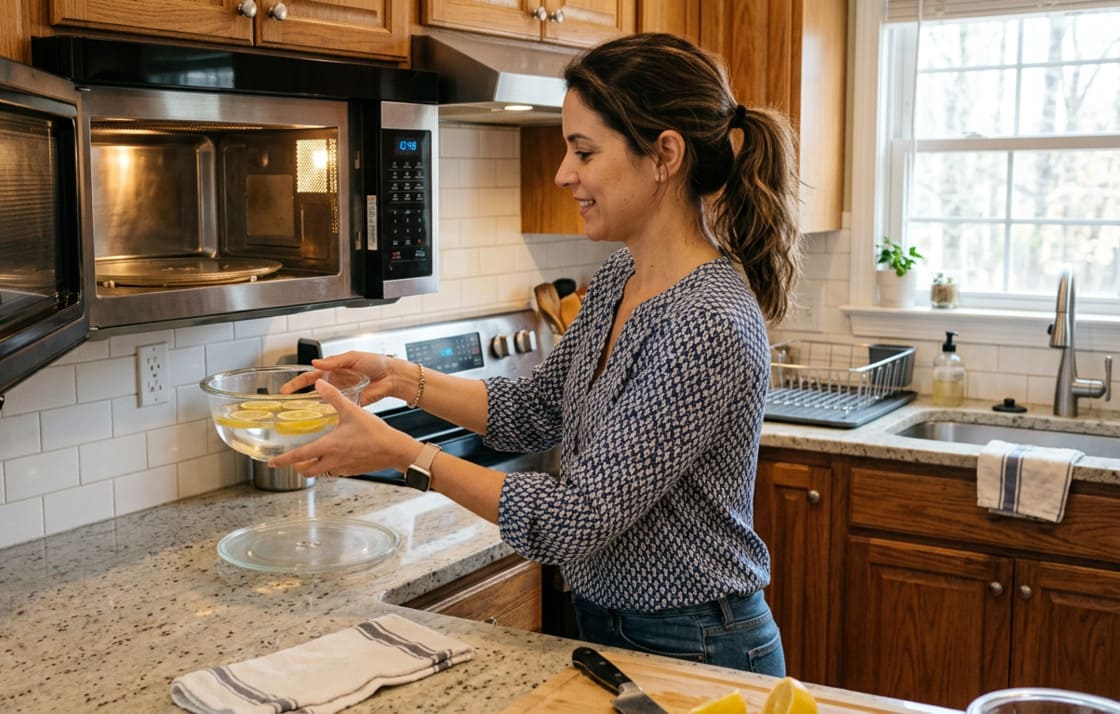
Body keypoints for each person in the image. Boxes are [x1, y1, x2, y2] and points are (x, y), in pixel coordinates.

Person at [269, 32, 801, 676]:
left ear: (664, 155)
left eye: (584, 150)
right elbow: (535, 410)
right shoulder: (619, 278)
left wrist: (406, 455)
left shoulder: (708, 321)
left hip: (699, 642)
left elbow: (576, 519)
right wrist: (400, 376)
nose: (563, 174)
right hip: (616, 626)